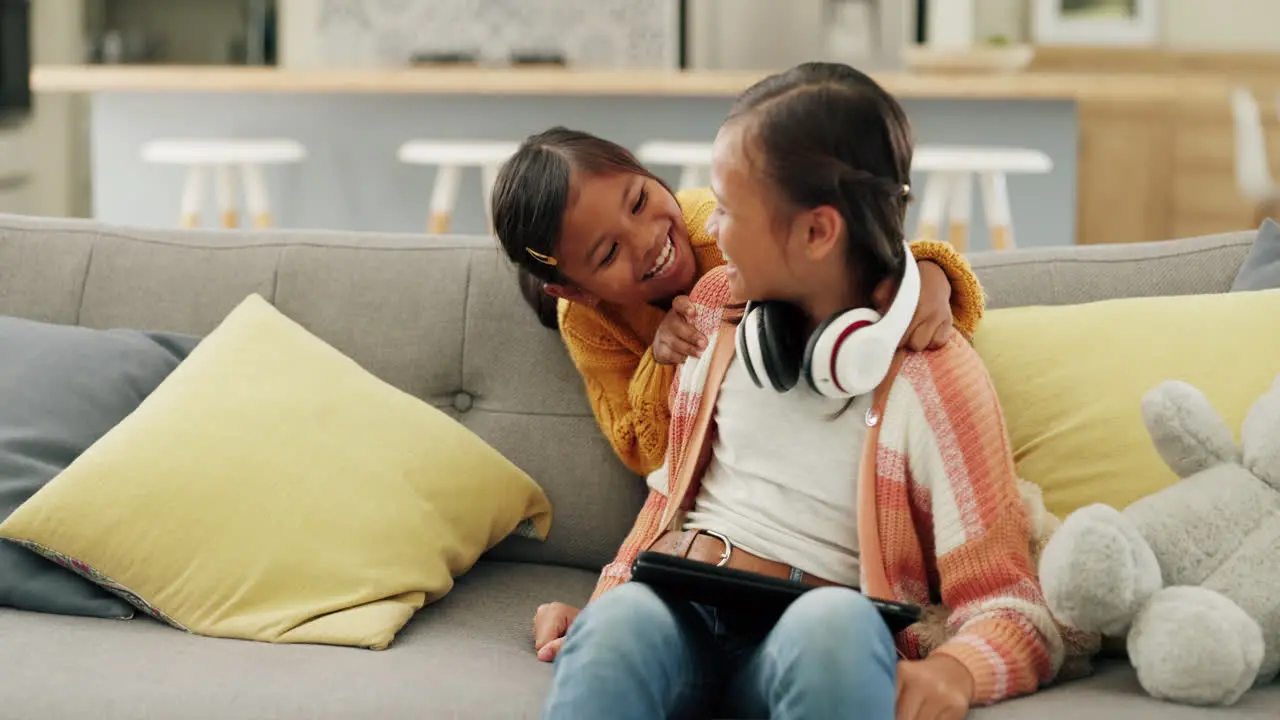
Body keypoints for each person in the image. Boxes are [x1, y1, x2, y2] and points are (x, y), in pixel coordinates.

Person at [530, 62, 1062, 720]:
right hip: (678, 606)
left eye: (726, 209)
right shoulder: (714, 312)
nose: (709, 232)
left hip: (813, 628)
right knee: (617, 629)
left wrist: (957, 671)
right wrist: (603, 605)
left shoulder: (933, 373)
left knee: (836, 627)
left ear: (815, 232)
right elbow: (662, 507)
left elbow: (1013, 607)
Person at [491, 124, 987, 478]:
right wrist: (662, 361)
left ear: (643, 170)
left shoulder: (717, 224)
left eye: (640, 201)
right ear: (576, 290)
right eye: (609, 252)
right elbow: (642, 452)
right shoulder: (582, 317)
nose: (645, 240)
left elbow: (844, 251)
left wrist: (926, 271)